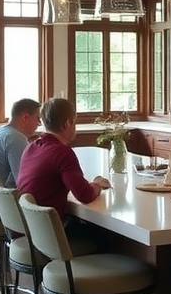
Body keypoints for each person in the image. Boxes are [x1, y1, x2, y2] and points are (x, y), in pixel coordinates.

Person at [17, 97, 110, 229]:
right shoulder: (62, 152)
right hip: (49, 233)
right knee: (105, 234)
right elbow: (84, 194)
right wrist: (97, 184)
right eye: (74, 123)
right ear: (67, 123)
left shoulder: (31, 146)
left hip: (28, 228)